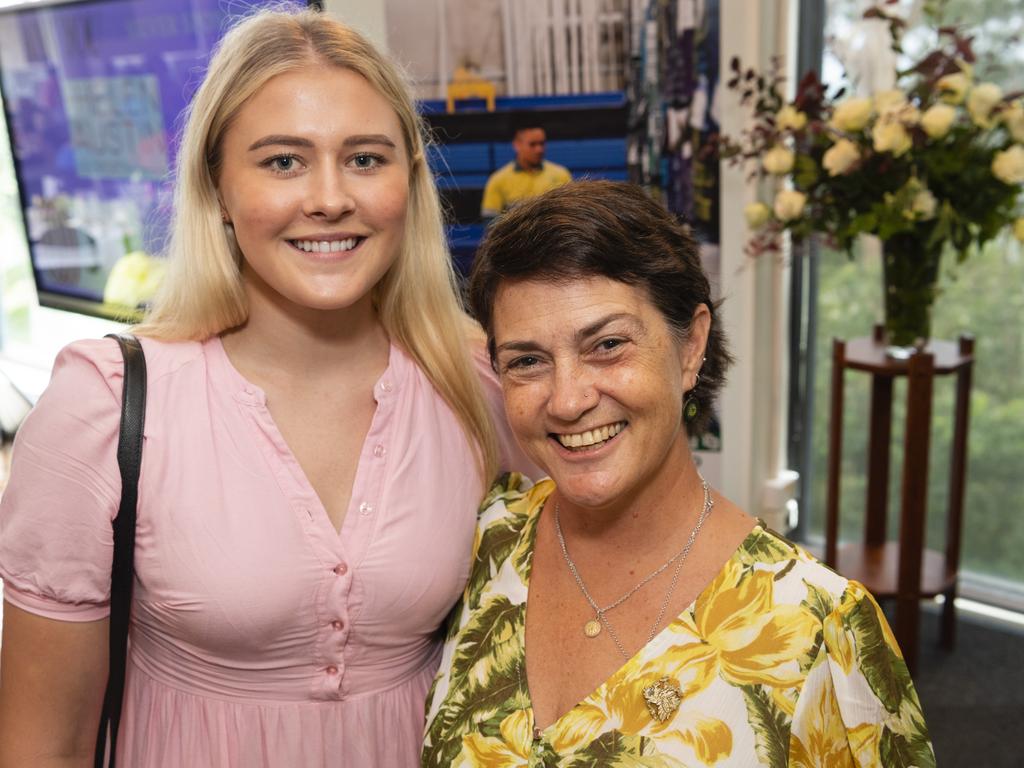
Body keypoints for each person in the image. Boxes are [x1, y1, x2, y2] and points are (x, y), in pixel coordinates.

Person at [0, 7, 530, 767]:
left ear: (408, 182)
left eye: (365, 159)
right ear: (218, 186)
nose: (328, 197)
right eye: (283, 161)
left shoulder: (477, 385)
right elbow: (41, 747)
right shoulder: (104, 407)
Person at [423, 180, 936, 767]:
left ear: (691, 345)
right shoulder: (487, 542)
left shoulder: (817, 630)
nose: (566, 400)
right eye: (528, 362)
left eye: (607, 345)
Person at [480, 123, 571, 218]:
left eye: (542, 143)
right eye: (533, 144)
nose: (539, 149)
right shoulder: (498, 180)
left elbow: (571, 215)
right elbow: (490, 222)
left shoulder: (562, 174)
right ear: (517, 145)